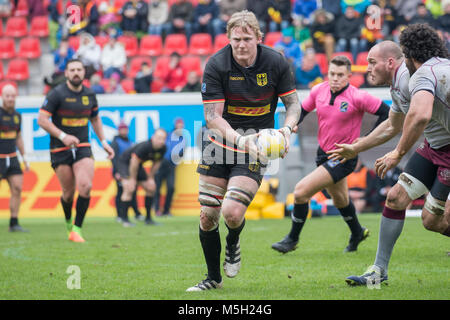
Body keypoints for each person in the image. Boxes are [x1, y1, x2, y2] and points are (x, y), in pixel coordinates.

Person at [186, 10, 301, 292]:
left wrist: (286, 130)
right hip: (220, 143)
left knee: (233, 213)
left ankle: (233, 240)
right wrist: (240, 140)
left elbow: (294, 104)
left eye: (247, 39)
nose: (241, 45)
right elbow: (213, 117)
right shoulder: (216, 65)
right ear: (228, 39)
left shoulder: (275, 62)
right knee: (207, 214)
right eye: (236, 39)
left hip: (255, 146)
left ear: (258, 39)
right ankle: (213, 278)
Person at [326, 30, 450, 285]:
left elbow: (419, 116)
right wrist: (356, 147)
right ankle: (378, 271)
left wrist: (397, 153)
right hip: (434, 146)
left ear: (393, 61)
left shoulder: (415, 75)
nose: (368, 68)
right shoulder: (401, 83)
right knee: (395, 198)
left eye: (372, 62)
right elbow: (392, 126)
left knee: (431, 220)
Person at [271, 55, 390, 255]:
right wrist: (292, 126)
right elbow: (302, 110)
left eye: (340, 75)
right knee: (340, 199)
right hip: (323, 153)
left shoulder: (358, 96)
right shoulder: (319, 90)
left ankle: (292, 239)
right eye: (332, 74)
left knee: (300, 192)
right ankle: (357, 232)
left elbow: (387, 113)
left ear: (349, 76)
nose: (335, 78)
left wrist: (366, 139)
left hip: (343, 157)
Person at [38, 58, 115, 243]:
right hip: (60, 147)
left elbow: (95, 119)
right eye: (72, 70)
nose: (75, 73)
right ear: (66, 73)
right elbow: (41, 120)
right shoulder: (57, 94)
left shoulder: (90, 94)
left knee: (86, 187)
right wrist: (63, 136)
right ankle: (68, 223)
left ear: (84, 72)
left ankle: (77, 229)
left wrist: (103, 141)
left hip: (82, 146)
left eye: (79, 69)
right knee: (68, 193)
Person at [116, 128, 167, 225]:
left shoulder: (163, 148)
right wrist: (132, 179)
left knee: (151, 187)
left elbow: (156, 163)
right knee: (129, 188)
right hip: (125, 163)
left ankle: (148, 219)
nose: (161, 141)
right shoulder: (145, 146)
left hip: (137, 165)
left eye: (163, 139)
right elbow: (133, 161)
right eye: (159, 138)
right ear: (153, 138)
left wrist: (151, 178)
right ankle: (124, 219)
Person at [0, 85, 29, 232]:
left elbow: (18, 137)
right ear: (2, 97)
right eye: (7, 96)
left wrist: (25, 158)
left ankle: (14, 222)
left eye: (12, 96)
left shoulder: (18, 116)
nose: (10, 99)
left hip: (12, 158)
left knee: (17, 189)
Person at [110, 122, 145, 226]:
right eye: (122, 129)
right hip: (120, 171)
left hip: (129, 171)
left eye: (125, 129)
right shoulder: (115, 142)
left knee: (132, 191)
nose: (124, 131)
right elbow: (114, 158)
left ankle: (136, 213)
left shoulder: (130, 142)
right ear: (119, 130)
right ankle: (120, 215)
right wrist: (117, 172)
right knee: (121, 192)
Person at [154, 118, 186, 216]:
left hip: (171, 165)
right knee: (157, 187)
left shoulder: (183, 139)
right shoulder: (167, 135)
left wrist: (175, 161)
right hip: (161, 163)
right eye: (178, 124)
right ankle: (157, 210)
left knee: (171, 187)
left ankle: (166, 210)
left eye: (181, 125)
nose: (179, 126)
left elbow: (182, 153)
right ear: (175, 125)